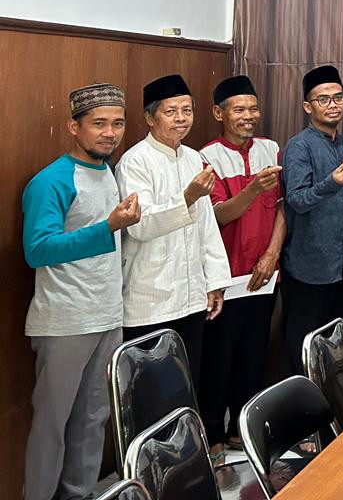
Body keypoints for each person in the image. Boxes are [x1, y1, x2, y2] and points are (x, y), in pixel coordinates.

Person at [23, 83, 140, 500]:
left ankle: (81, 494)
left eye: (118, 124)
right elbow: (38, 250)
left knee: (93, 419)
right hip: (65, 321)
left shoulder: (108, 170)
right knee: (51, 425)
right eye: (99, 124)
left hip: (107, 315)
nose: (110, 133)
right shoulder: (51, 180)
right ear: (74, 126)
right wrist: (107, 227)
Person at [116, 74, 232, 380]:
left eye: (187, 110)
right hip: (150, 300)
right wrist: (188, 197)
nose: (181, 118)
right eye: (171, 111)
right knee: (152, 389)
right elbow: (139, 225)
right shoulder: (135, 161)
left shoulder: (194, 158)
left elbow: (207, 225)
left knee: (186, 383)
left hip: (192, 298)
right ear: (149, 118)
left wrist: (215, 281)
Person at [199, 75, 284, 459]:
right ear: (219, 113)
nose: (248, 115)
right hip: (225, 278)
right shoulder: (207, 157)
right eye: (239, 109)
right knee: (219, 357)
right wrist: (251, 189)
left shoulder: (270, 148)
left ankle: (241, 430)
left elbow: (282, 208)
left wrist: (272, 254)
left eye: (253, 108)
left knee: (253, 355)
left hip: (264, 273)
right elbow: (217, 216)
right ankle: (213, 432)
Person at [281, 64, 343, 375]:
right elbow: (297, 200)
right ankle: (300, 405)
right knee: (303, 353)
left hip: (339, 270)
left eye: (338, 97)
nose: (332, 105)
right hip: (308, 270)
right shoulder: (299, 146)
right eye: (323, 99)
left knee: (333, 354)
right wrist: (331, 183)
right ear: (307, 106)